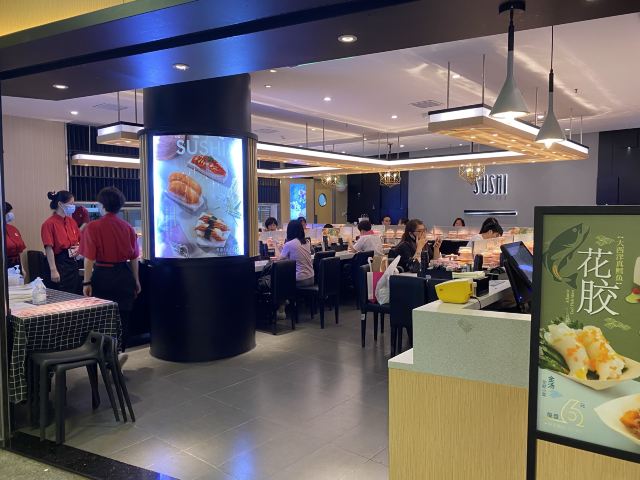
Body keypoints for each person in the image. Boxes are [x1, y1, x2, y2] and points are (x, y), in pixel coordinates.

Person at [80, 187, 141, 355]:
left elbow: (89, 259)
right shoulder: (128, 227)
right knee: (123, 319)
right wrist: (136, 280)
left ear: (102, 205)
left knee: (101, 319)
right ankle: (119, 354)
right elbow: (134, 258)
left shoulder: (93, 227)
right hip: (124, 275)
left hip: (103, 276)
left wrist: (86, 282)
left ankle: (104, 356)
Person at [41, 191, 81, 293]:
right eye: (71, 204)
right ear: (60, 204)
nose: (73, 206)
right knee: (62, 292)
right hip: (58, 262)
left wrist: (79, 248)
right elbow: (48, 248)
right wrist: (53, 270)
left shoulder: (71, 221)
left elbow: (80, 240)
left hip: (72, 262)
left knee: (75, 291)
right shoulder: (49, 224)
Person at [279, 219, 314, 287]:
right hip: (311, 278)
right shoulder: (307, 242)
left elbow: (279, 260)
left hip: (300, 280)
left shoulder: (289, 244)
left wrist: (278, 247)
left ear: (289, 231)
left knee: (278, 278)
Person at [5, 202, 26, 269]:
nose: (11, 214)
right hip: (5, 264)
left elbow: (20, 251)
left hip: (16, 264)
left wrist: (22, 268)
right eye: (9, 212)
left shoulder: (13, 229)